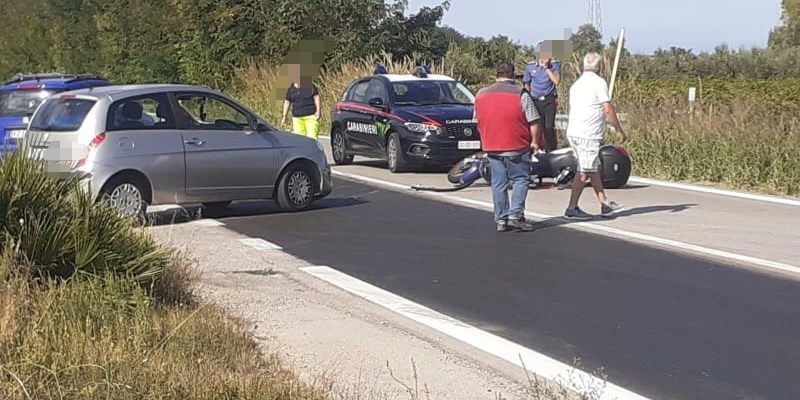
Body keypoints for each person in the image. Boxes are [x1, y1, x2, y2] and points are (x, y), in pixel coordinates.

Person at [474, 61, 541, 232]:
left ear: (496, 75)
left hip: (492, 145)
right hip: (516, 145)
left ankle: (501, 219)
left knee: (498, 182)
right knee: (520, 179)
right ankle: (516, 215)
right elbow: (533, 120)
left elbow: (477, 121)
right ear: (511, 75)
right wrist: (535, 141)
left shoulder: (481, 94)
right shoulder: (521, 94)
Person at [563, 52, 627, 220]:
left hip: (575, 131)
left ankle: (605, 203)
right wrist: (619, 129)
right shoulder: (599, 83)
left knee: (593, 168)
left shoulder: (577, 84)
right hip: (588, 134)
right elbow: (607, 109)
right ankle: (572, 207)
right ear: (599, 67)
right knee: (584, 170)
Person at [523, 42, 561, 151]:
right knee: (536, 126)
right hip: (535, 100)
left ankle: (552, 149)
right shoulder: (530, 67)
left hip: (549, 99)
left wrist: (547, 68)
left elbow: (556, 81)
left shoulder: (554, 65)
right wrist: (529, 96)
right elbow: (527, 83)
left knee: (548, 127)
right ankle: (537, 147)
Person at [281, 65, 321, 139]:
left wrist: (318, 111)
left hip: (311, 116)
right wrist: (284, 116)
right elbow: (287, 102)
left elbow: (316, 97)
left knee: (312, 138)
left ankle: (312, 150)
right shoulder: (291, 89)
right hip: (297, 118)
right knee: (300, 139)